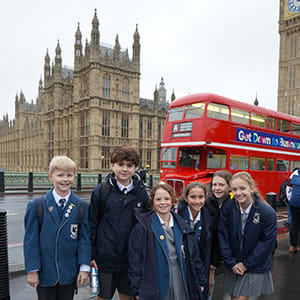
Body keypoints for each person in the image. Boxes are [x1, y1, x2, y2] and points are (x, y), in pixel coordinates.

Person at [23, 156, 91, 300]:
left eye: (69, 175)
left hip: (69, 273)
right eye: (60, 175)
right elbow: (31, 241)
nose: (65, 179)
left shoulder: (82, 207)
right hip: (45, 273)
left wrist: (84, 268)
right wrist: (32, 270)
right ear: (50, 176)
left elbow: (84, 240)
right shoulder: (37, 206)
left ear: (74, 176)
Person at [88, 144, 149, 300]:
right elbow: (92, 224)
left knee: (128, 297)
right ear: (112, 165)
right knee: (103, 297)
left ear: (135, 167)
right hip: (105, 259)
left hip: (130, 260)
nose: (124, 169)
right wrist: (92, 254)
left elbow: (145, 227)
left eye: (129, 165)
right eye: (120, 164)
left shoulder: (141, 193)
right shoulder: (101, 191)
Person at [128, 182, 207, 300]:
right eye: (158, 199)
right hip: (156, 278)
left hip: (181, 276)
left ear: (173, 200)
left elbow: (194, 256)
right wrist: (136, 288)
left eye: (166, 199)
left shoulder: (181, 225)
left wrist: (200, 280)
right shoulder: (143, 227)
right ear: (152, 202)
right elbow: (135, 260)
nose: (163, 203)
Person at [219, 172, 277, 300]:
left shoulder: (267, 212)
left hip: (254, 264)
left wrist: (246, 264)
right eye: (234, 189)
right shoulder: (228, 207)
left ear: (251, 188)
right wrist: (231, 262)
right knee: (235, 297)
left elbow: (267, 243)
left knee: (241, 298)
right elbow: (223, 235)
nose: (238, 193)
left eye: (242, 188)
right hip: (233, 263)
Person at [175, 182, 213, 299]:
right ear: (186, 198)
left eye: (200, 197)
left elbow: (205, 252)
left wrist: (203, 279)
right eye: (193, 197)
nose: (197, 201)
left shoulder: (207, 217)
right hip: (181, 267)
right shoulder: (177, 215)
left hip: (198, 266)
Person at [205, 170, 233, 300]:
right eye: (214, 184)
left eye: (221, 185)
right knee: (208, 287)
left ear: (229, 186)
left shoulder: (233, 204)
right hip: (211, 253)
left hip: (230, 254)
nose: (216, 188)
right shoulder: (206, 203)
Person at [286, 167, 300, 252]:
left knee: (294, 224)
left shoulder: (295, 174)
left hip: (295, 203)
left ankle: (293, 246)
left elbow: (288, 189)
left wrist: (290, 201)